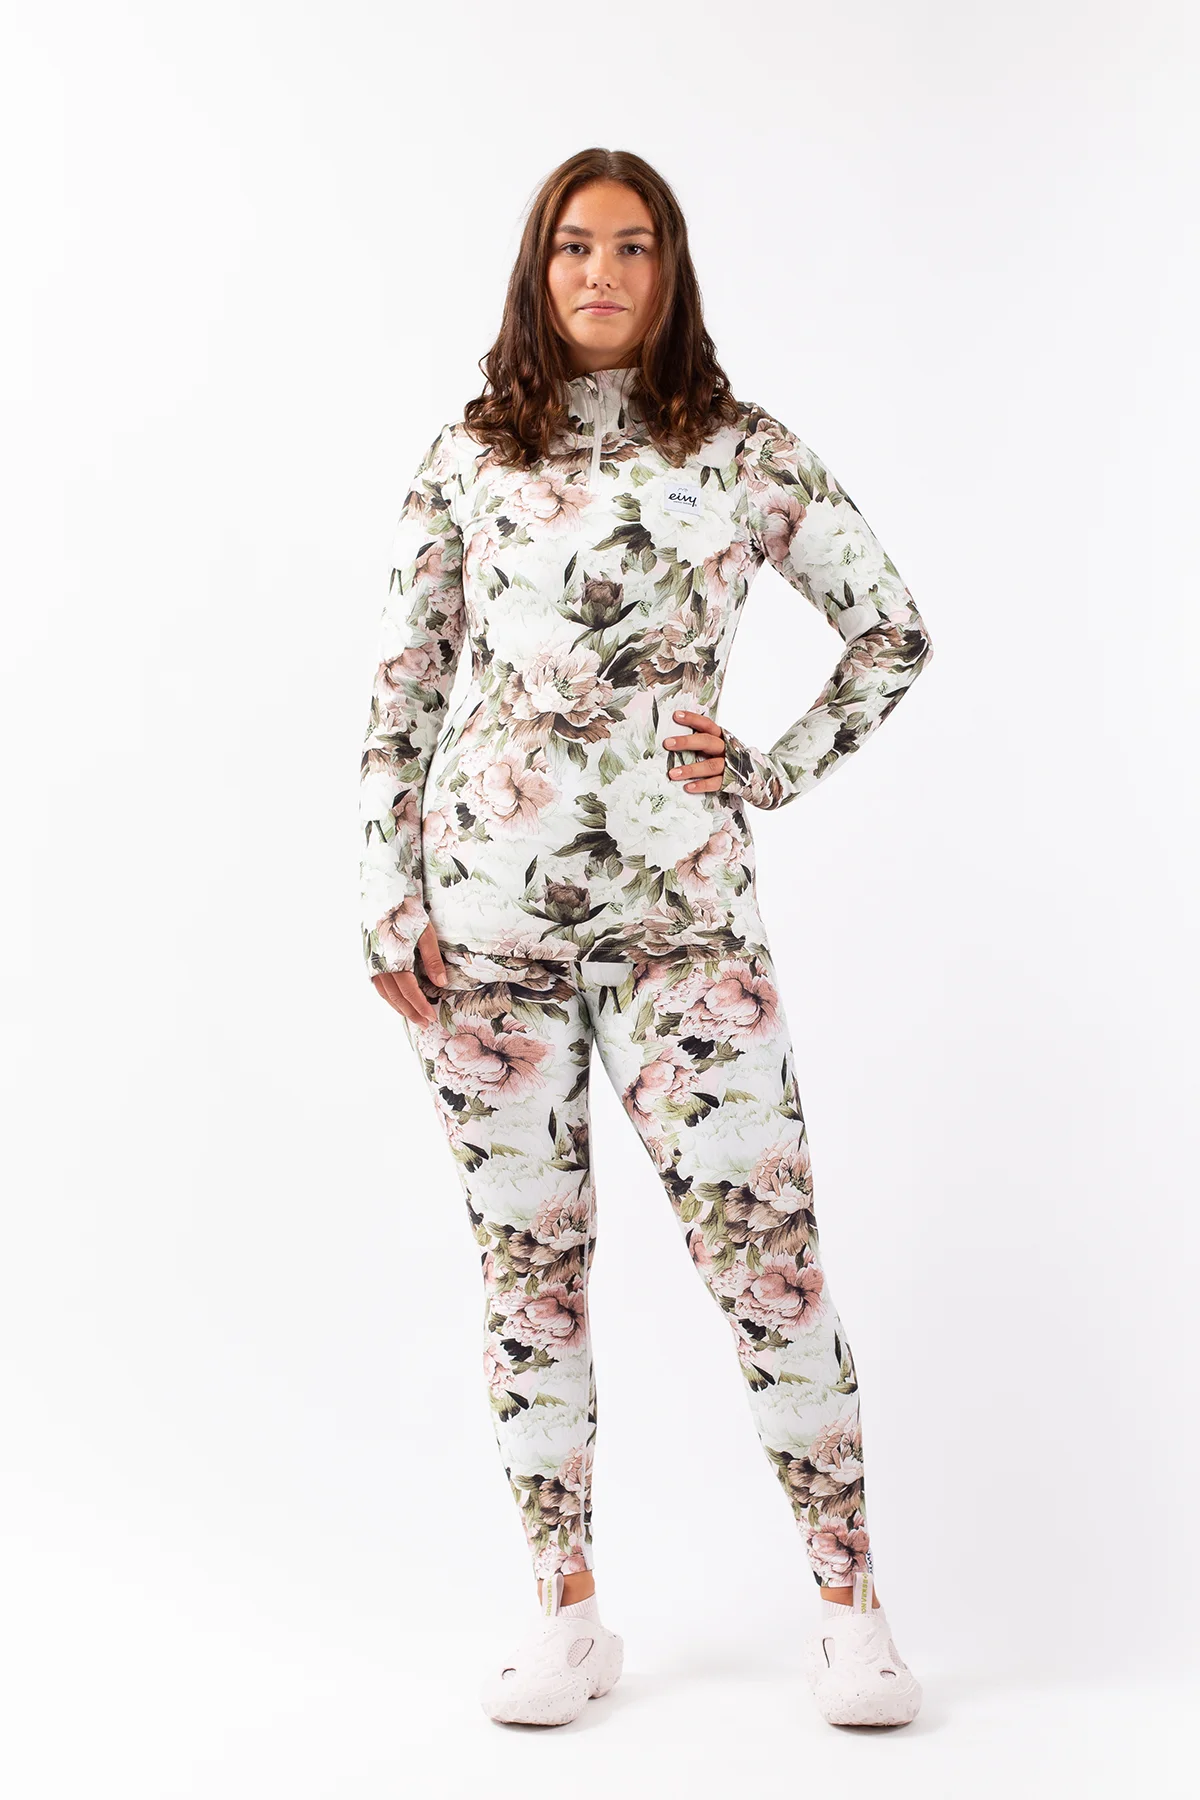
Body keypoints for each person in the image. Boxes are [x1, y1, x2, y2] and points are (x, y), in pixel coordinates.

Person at [359, 147, 934, 1730]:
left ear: (670, 267)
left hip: (688, 936)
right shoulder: (471, 454)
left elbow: (892, 630)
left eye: (630, 246)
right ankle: (565, 1615)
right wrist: (384, 892)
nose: (601, 274)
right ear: (536, 269)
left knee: (771, 1267)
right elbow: (406, 681)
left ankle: (853, 1613)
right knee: (527, 1274)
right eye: (573, 247)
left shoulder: (743, 452)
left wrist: (768, 770)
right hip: (482, 939)